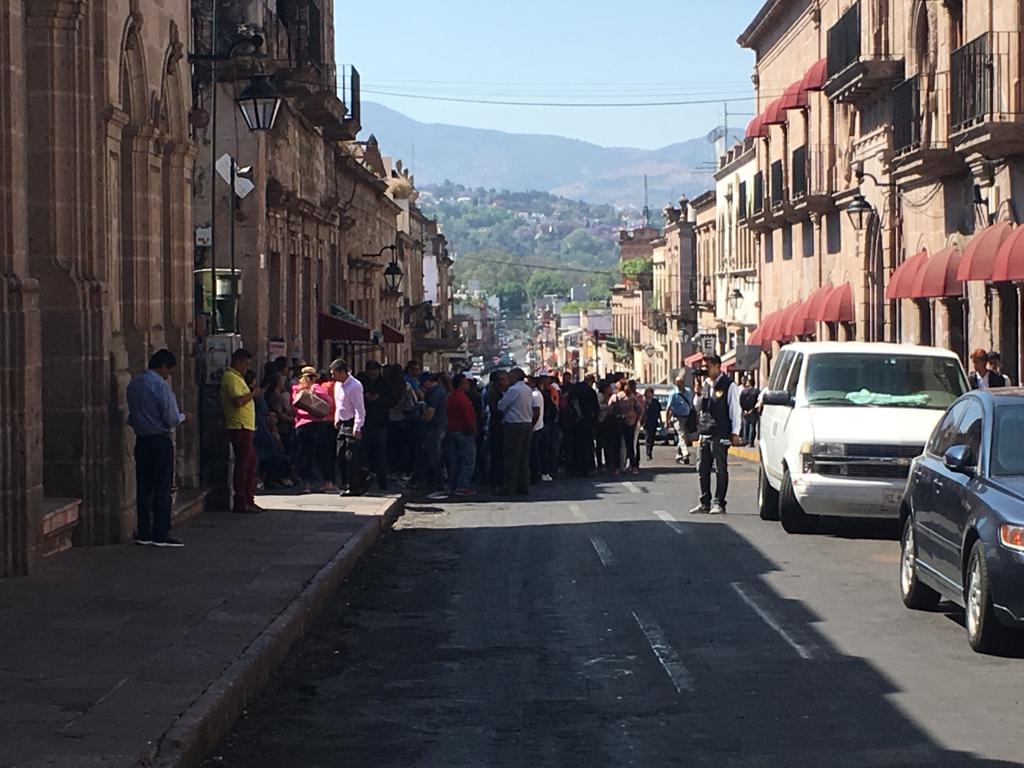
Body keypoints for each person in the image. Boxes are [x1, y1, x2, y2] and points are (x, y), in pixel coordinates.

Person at [126, 349, 190, 547]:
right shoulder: (160, 387)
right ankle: (160, 532)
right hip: (160, 440)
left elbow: (132, 415)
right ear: (163, 366)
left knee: (143, 487)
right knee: (162, 487)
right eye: (168, 371)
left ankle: (144, 530)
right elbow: (171, 417)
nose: (167, 375)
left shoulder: (134, 384)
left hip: (142, 440)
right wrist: (184, 417)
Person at [690, 354, 743, 515]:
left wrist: (735, 432)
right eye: (703, 367)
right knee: (702, 468)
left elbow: (735, 409)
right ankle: (704, 501)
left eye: (707, 367)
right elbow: (698, 407)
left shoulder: (728, 385)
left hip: (720, 432)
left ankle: (719, 502)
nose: (705, 370)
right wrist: (698, 393)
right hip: (705, 431)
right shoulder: (705, 384)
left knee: (720, 468)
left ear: (717, 366)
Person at [220, 348, 263, 514]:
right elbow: (238, 401)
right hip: (239, 426)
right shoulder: (230, 377)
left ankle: (248, 498)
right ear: (237, 362)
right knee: (243, 464)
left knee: (250, 464)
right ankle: (241, 501)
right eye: (246, 363)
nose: (247, 367)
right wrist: (253, 394)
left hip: (246, 426)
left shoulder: (239, 378)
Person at [292, 365, 336, 492]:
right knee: (323, 454)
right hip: (318, 424)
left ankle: (306, 485)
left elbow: (294, 408)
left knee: (305, 455)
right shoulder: (315, 388)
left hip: (301, 425)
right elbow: (329, 401)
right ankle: (328, 482)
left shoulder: (296, 390)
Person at [357, 360, 395, 492]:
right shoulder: (361, 383)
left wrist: (378, 399)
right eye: (370, 370)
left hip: (380, 423)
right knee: (362, 453)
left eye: (375, 370)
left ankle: (383, 483)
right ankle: (362, 481)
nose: (373, 373)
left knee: (380, 454)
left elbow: (391, 401)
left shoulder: (385, 384)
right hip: (364, 422)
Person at [331, 359, 366, 497]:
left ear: (342, 372)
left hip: (352, 422)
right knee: (340, 454)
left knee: (350, 455)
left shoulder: (355, 386)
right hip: (342, 422)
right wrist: (337, 418)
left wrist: (357, 426)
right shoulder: (337, 386)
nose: (332, 377)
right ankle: (348, 481)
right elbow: (339, 403)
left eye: (334, 373)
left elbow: (359, 408)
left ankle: (355, 485)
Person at [497, 368, 534, 495]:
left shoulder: (514, 390)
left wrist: (502, 395)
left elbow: (501, 406)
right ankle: (523, 485)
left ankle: (509, 486)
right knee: (523, 457)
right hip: (526, 423)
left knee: (511, 457)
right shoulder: (528, 389)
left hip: (514, 425)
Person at [447, 373, 478, 496]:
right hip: (464, 431)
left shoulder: (450, 397)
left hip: (452, 430)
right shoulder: (462, 398)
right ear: (460, 384)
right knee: (468, 460)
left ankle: (453, 485)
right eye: (466, 383)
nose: (468, 385)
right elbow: (468, 416)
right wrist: (473, 428)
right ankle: (463, 485)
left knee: (455, 460)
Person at [420, 373, 449, 500]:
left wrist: (419, 418)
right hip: (439, 427)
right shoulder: (440, 391)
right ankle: (422, 481)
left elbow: (429, 414)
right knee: (428, 456)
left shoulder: (435, 393)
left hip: (435, 428)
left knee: (435, 458)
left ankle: (441, 486)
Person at [568, 374, 599, 476]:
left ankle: (575, 468)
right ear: (590, 381)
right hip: (587, 421)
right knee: (588, 445)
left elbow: (570, 403)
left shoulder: (574, 389)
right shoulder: (590, 392)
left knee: (576, 445)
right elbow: (596, 409)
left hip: (574, 422)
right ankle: (588, 468)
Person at [486, 370, 510, 488]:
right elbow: (495, 409)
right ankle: (496, 479)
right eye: (501, 380)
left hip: (507, 427)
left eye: (505, 379)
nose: (503, 382)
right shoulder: (493, 393)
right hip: (496, 427)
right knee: (496, 454)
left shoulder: (510, 391)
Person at [668, 375, 696, 465]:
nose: (679, 384)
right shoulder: (673, 394)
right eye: (678, 383)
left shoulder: (688, 392)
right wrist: (667, 420)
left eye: (681, 382)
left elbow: (692, 404)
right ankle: (685, 453)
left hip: (687, 418)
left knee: (684, 437)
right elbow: (669, 408)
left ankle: (678, 455)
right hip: (677, 418)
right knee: (681, 435)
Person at [528, 376, 547, 483]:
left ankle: (535, 475)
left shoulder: (535, 395)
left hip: (535, 427)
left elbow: (536, 412)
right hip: (537, 426)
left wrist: (531, 426)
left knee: (534, 453)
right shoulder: (536, 394)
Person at [740, 374, 761, 447]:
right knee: (752, 426)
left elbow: (741, 401)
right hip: (753, 411)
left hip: (745, 411)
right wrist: (752, 409)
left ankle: (745, 441)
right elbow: (758, 402)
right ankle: (750, 442)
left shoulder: (743, 391)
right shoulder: (757, 391)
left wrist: (744, 410)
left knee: (746, 426)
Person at [642, 387, 663, 461]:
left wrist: (660, 421)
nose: (649, 394)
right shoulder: (644, 402)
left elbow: (659, 412)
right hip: (647, 422)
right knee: (648, 437)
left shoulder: (655, 402)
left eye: (651, 393)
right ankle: (648, 453)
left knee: (652, 438)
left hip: (654, 422)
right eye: (648, 393)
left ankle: (650, 450)